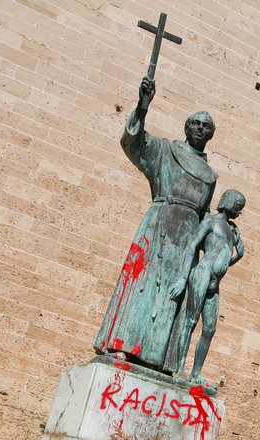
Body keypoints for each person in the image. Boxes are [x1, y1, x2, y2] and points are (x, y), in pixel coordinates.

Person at [94, 76, 218, 371]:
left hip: (187, 240)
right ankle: (123, 346)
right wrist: (142, 106)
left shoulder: (211, 176)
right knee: (143, 285)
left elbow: (205, 215)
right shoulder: (166, 150)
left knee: (173, 297)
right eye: (195, 123)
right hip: (160, 226)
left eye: (206, 125)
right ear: (186, 128)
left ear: (210, 134)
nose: (200, 128)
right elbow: (133, 142)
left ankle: (161, 359)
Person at [163, 190, 245, 383]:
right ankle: (179, 368)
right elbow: (192, 245)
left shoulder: (232, 230)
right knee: (190, 322)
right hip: (203, 273)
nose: (240, 212)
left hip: (215, 281)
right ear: (229, 202)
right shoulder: (210, 221)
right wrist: (183, 278)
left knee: (209, 329)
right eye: (239, 207)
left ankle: (196, 373)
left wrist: (238, 255)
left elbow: (225, 258)